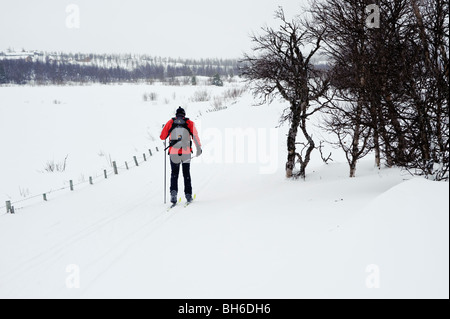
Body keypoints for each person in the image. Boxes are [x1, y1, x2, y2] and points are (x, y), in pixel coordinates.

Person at [160, 107, 202, 204]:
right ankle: (188, 195)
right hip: (186, 152)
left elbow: (162, 137)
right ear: (184, 114)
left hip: (174, 153)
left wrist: (165, 129)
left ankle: (173, 194)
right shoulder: (190, 123)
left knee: (174, 173)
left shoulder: (170, 122)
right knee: (186, 173)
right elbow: (195, 136)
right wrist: (198, 148)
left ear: (176, 114)